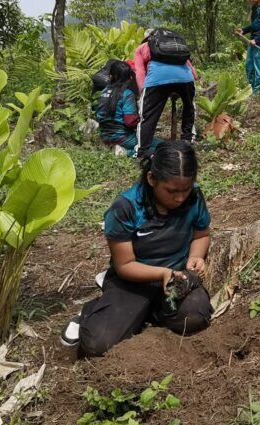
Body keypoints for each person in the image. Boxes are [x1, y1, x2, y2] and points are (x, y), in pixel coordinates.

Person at [62, 141, 213, 356]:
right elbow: (125, 265)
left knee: (196, 316)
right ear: (152, 179)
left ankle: (144, 313)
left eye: (185, 190)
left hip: (176, 280)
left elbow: (202, 234)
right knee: (98, 344)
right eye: (171, 191)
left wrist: (195, 257)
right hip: (132, 281)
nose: (180, 198)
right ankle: (92, 312)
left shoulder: (194, 197)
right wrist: (162, 273)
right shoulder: (126, 207)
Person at [133, 30, 197, 157]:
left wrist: (143, 95)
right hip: (186, 79)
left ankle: (142, 150)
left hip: (158, 79)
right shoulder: (175, 47)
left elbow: (139, 72)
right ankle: (187, 139)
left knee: (148, 116)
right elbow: (193, 72)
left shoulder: (142, 48)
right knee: (189, 107)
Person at [95, 60, 150, 156]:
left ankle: (114, 148)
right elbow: (130, 121)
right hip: (122, 137)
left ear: (111, 76)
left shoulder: (104, 91)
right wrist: (142, 121)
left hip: (104, 135)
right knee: (158, 146)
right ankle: (125, 152)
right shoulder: (127, 94)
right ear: (129, 78)